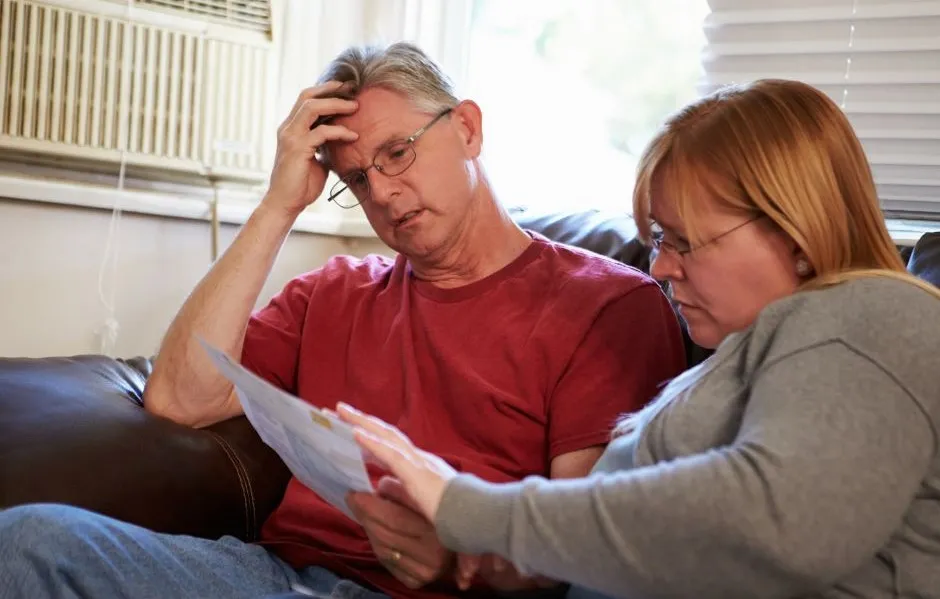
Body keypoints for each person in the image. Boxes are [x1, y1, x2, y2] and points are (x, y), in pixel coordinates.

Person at [0, 42, 686, 599]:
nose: (381, 192)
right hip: (276, 578)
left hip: (444, 589)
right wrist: (277, 206)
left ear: (467, 128)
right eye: (356, 179)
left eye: (397, 152)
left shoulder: (608, 304)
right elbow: (180, 398)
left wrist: (457, 557)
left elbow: (586, 542)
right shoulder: (334, 290)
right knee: (30, 539)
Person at [334, 78, 940, 599]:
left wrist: (467, 508)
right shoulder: (753, 354)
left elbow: (782, 518)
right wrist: (477, 552)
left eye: (682, 241)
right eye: (656, 241)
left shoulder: (871, 315)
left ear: (794, 233)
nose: (661, 269)